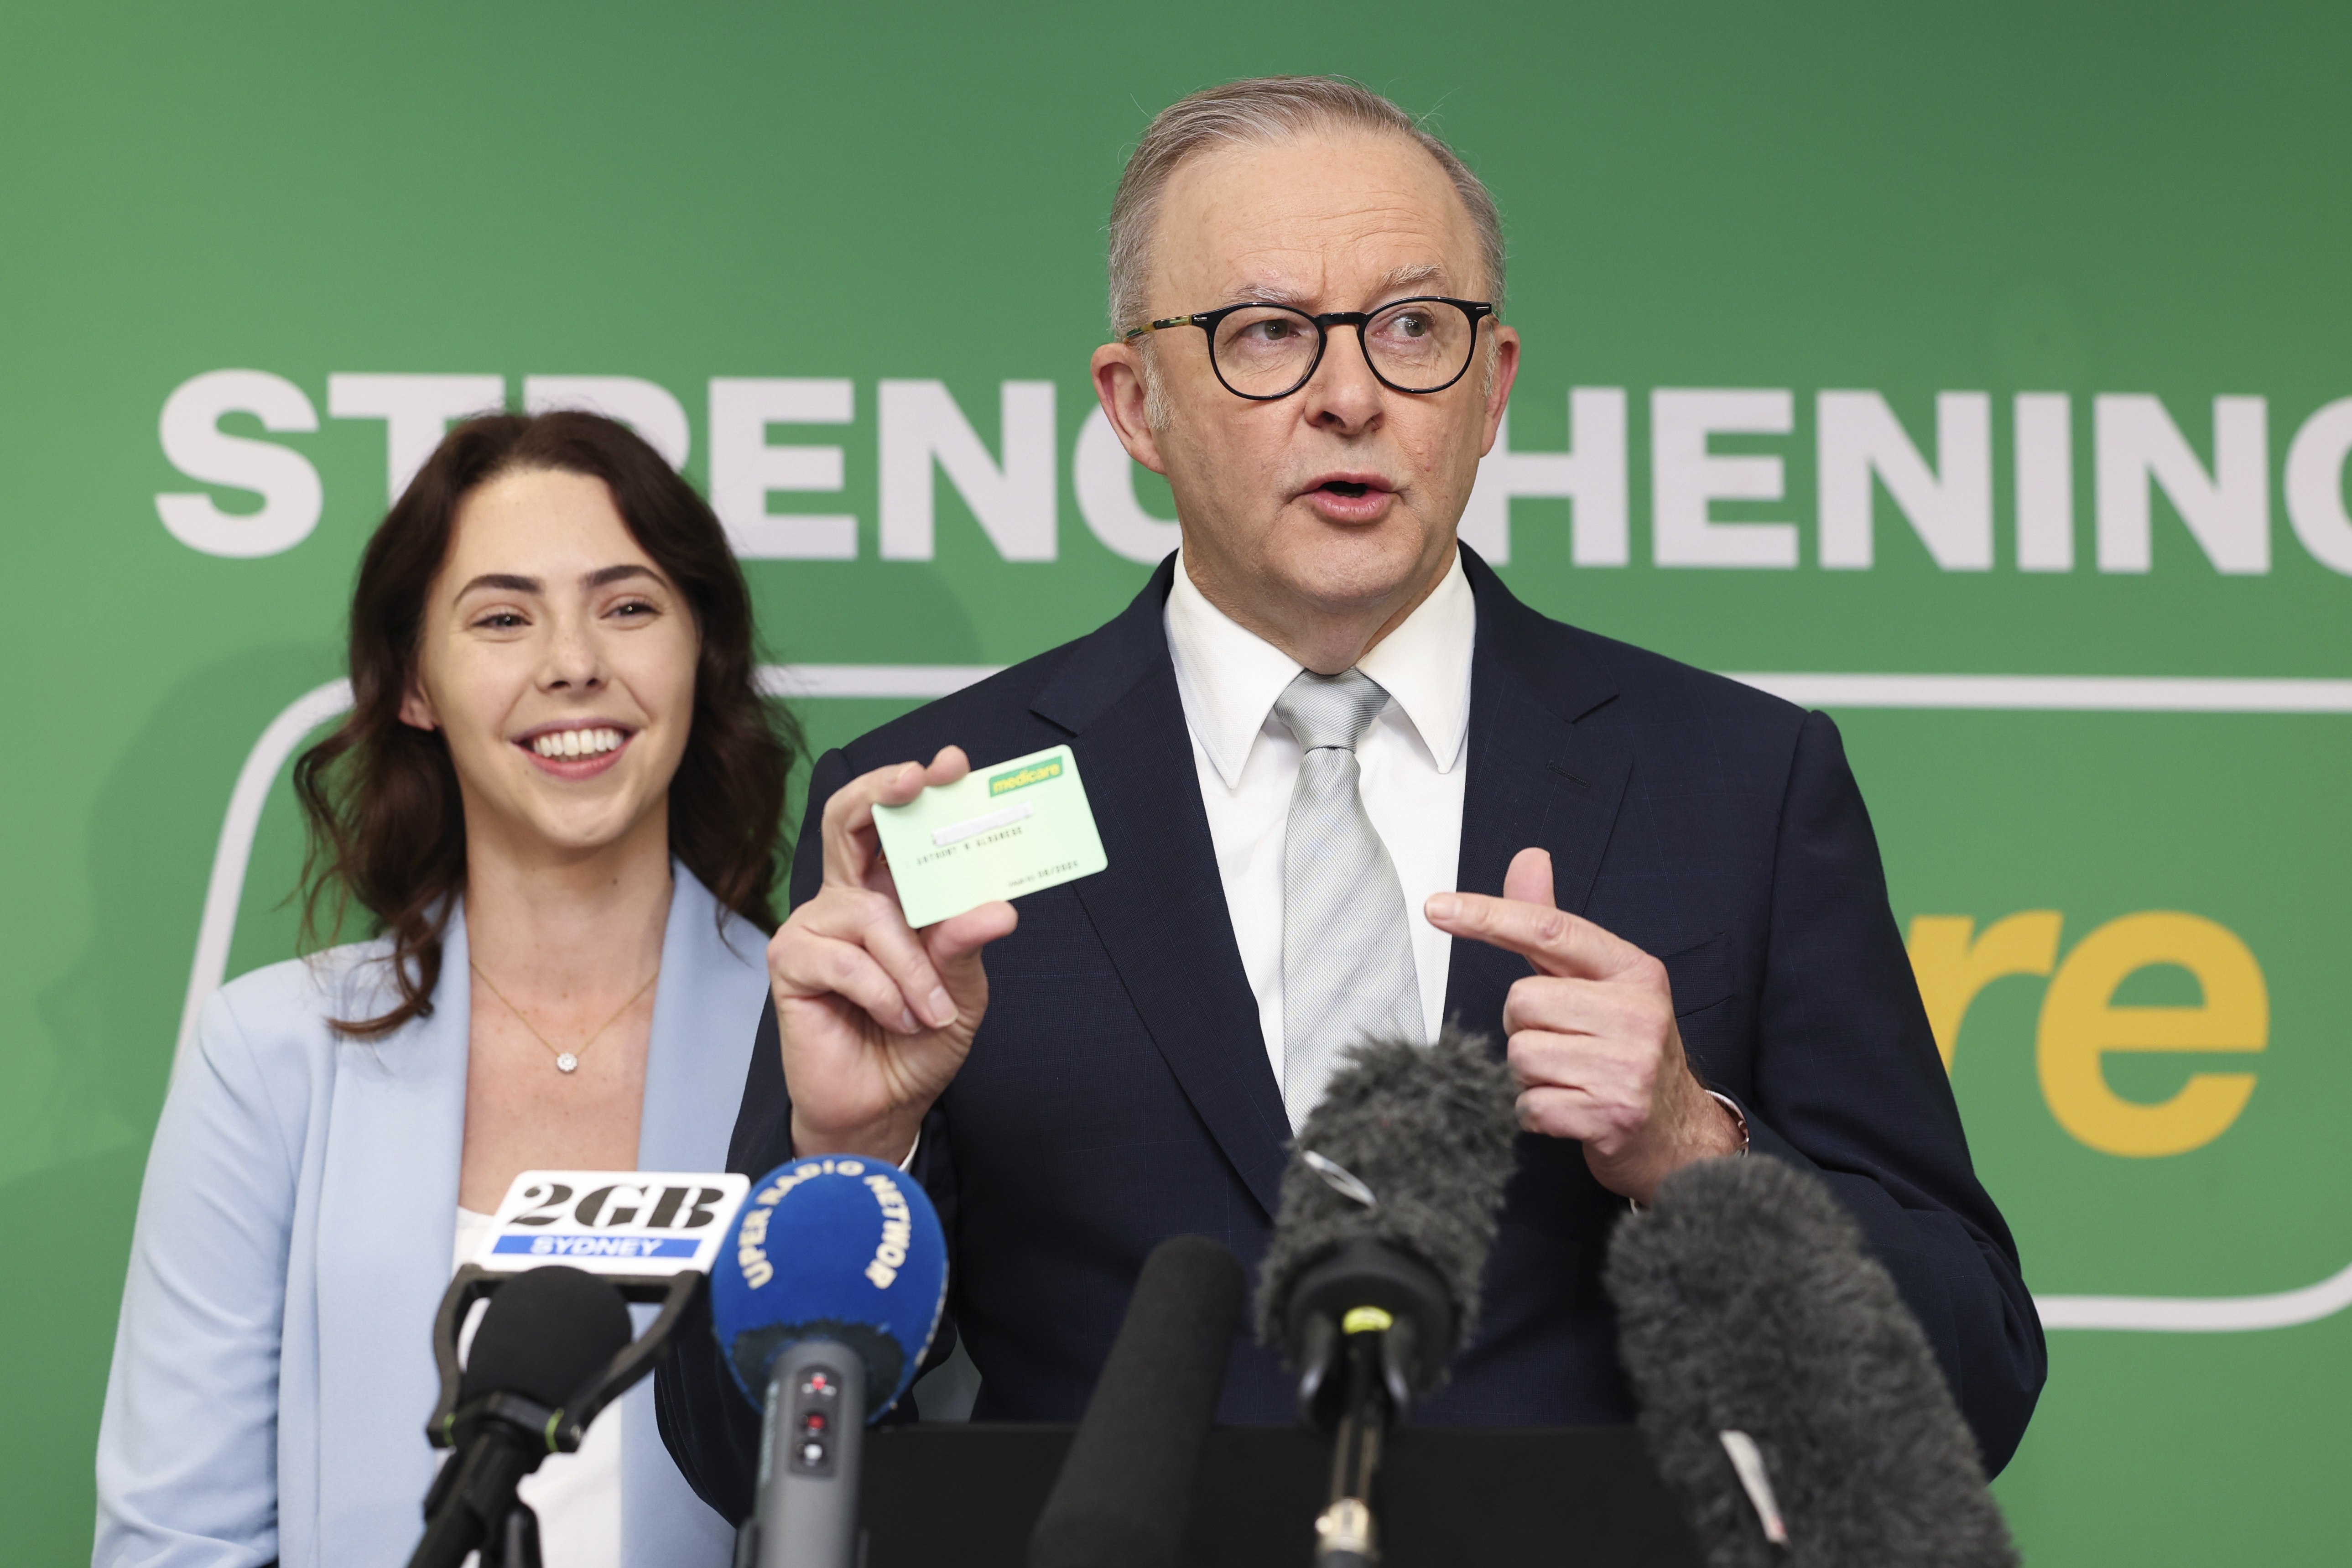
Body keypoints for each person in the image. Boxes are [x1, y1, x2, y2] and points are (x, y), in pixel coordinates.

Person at [657, 76, 2047, 1515]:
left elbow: (1974, 1377)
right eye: (1264, 331)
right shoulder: (937, 808)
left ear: (1492, 384)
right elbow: (724, 1445)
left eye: (1411, 328)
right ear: (1136, 404)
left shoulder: (1736, 783)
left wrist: (1695, 1150)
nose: (1348, 393)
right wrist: (849, 1156)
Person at [96, 412, 793, 1568]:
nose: (574, 663)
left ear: (701, 651)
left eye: (628, 606)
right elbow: (176, 1540)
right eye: (505, 617)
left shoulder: (818, 1042)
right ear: (416, 684)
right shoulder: (272, 1056)